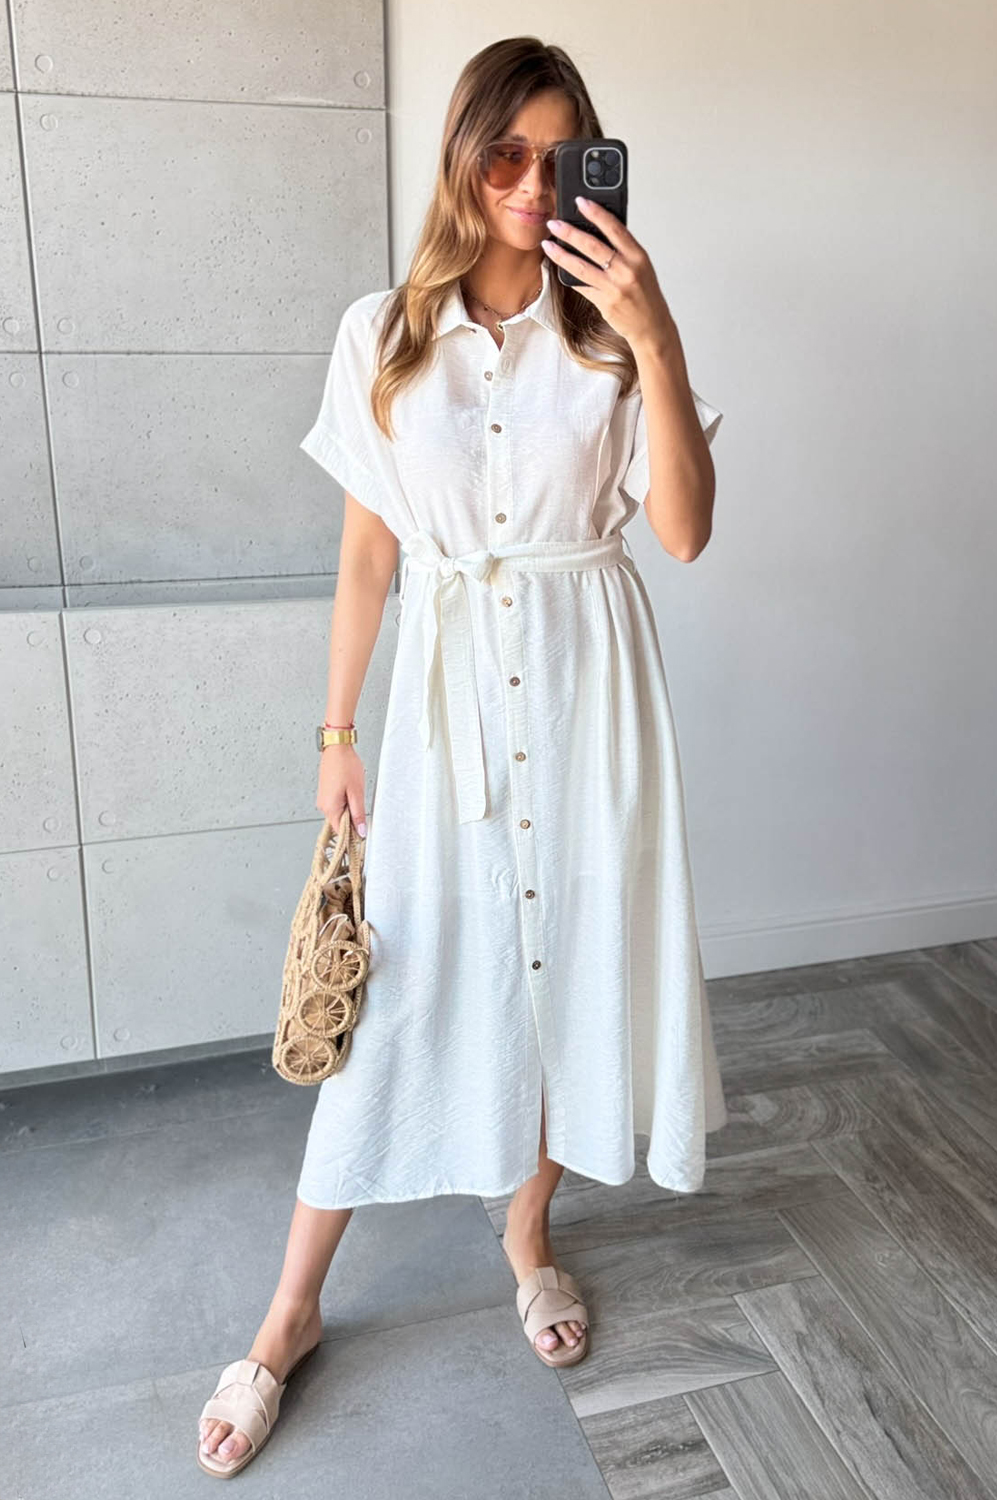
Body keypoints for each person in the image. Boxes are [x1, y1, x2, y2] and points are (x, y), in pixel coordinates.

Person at [196, 35, 728, 1478]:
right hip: (444, 712)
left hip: (588, 695)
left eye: (562, 159)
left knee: (564, 968)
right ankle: (291, 1310)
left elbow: (683, 532)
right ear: (460, 158)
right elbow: (368, 554)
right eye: (505, 155)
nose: (531, 185)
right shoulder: (384, 333)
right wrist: (335, 732)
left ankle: (528, 1237)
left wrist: (660, 336)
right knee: (402, 991)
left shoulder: (610, 336)